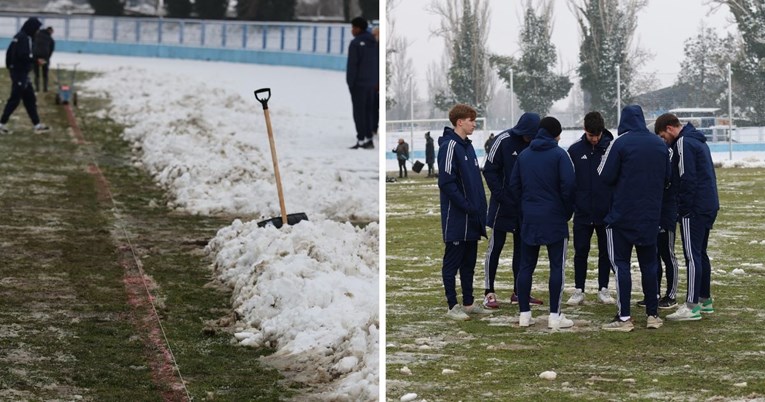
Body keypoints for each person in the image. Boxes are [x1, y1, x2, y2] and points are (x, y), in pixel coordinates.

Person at [597, 105, 670, 332]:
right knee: (649, 265)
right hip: (650, 215)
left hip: (622, 215)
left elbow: (604, 174)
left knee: (621, 265)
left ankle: (625, 317)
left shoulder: (619, 143)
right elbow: (668, 178)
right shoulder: (659, 144)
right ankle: (652, 314)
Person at [508, 116, 576, 329]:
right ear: (556, 134)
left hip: (529, 217)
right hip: (554, 218)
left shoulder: (524, 155)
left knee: (526, 266)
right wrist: (566, 211)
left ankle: (524, 314)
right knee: (557, 266)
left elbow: (514, 186)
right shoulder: (560, 155)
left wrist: (524, 208)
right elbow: (569, 186)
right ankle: (555, 315)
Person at [655, 113, 720, 321]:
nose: (665, 141)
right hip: (708, 203)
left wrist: (682, 208)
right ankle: (704, 300)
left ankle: (691, 306)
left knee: (692, 256)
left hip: (694, 208)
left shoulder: (683, 143)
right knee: (700, 253)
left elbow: (686, 178)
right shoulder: (698, 141)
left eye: (663, 137)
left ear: (669, 128)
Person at [481, 113, 544, 309]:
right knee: (495, 247)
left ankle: (519, 291)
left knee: (522, 249)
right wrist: (501, 194)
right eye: (527, 135)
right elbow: (489, 170)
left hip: (523, 207)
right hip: (502, 205)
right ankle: (488, 292)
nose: (529, 138)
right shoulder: (502, 140)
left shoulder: (536, 144)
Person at [437, 103, 493, 320]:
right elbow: (447, 182)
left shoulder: (467, 146)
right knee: (453, 262)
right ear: (460, 122)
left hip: (473, 217)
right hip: (457, 217)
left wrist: (479, 207)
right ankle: (452, 305)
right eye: (471, 120)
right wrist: (466, 205)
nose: (474, 124)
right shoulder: (449, 146)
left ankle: (468, 303)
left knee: (469, 262)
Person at [565, 111, 616, 306]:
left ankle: (604, 288)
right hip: (583, 212)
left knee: (605, 252)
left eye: (597, 135)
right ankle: (579, 289)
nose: (594, 139)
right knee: (581, 251)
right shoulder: (575, 151)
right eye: (590, 135)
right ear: (584, 131)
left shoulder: (612, 149)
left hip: (606, 213)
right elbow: (569, 181)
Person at [0, 17, 50, 134]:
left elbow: (9, 53)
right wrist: (36, 61)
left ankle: (37, 125)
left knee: (30, 99)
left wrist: (10, 68)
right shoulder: (24, 38)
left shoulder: (18, 36)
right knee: (15, 99)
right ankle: (1, 123)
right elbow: (23, 56)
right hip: (20, 73)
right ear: (31, 28)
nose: (37, 31)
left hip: (20, 73)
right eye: (37, 29)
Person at [346, 17, 378, 150]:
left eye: (353, 27)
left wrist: (350, 83)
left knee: (359, 113)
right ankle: (369, 139)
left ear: (358, 28)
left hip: (359, 84)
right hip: (372, 84)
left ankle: (360, 139)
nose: (352, 30)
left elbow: (352, 66)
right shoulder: (374, 43)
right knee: (369, 111)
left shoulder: (355, 43)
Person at [33, 26, 54, 93]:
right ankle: (45, 88)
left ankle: (37, 88)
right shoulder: (50, 39)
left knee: (36, 73)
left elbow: (33, 45)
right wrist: (48, 57)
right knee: (45, 73)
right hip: (45, 57)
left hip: (36, 56)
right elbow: (51, 49)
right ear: (49, 31)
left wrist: (34, 54)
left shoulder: (37, 35)